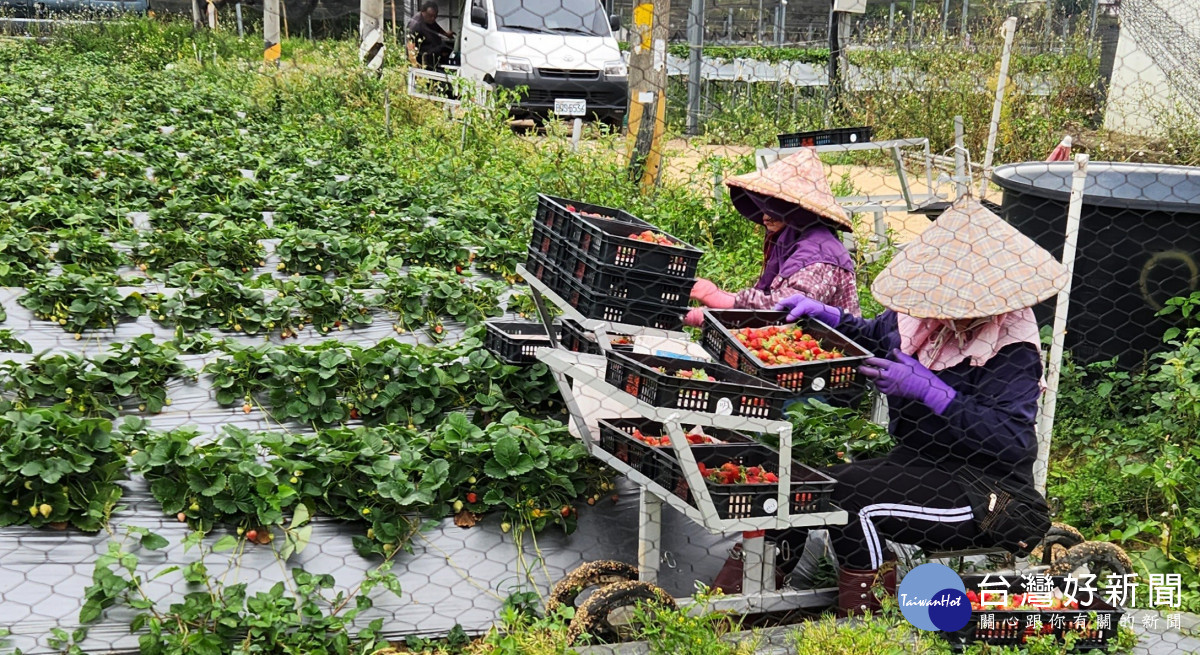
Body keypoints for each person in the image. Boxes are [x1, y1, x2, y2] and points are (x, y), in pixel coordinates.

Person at [742, 197, 1066, 615]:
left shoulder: (1011, 350)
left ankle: (868, 619)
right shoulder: (920, 318)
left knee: (850, 500)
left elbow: (1013, 442)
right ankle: (757, 597)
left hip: (987, 489)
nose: (942, 311)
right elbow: (877, 335)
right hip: (917, 462)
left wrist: (935, 394)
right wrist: (832, 318)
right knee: (811, 485)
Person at [685, 149, 861, 327]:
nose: (764, 218)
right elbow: (767, 300)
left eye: (774, 210)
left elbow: (788, 306)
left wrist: (717, 299)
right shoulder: (790, 239)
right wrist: (717, 301)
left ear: (796, 211)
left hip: (825, 348)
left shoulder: (820, 253)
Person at [407, 1, 455, 71]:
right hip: (424, 56)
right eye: (430, 16)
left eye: (435, 16)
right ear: (423, 12)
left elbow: (436, 27)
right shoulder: (415, 25)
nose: (433, 18)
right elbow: (410, 45)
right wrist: (414, 63)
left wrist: (446, 34)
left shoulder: (430, 19)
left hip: (435, 50)